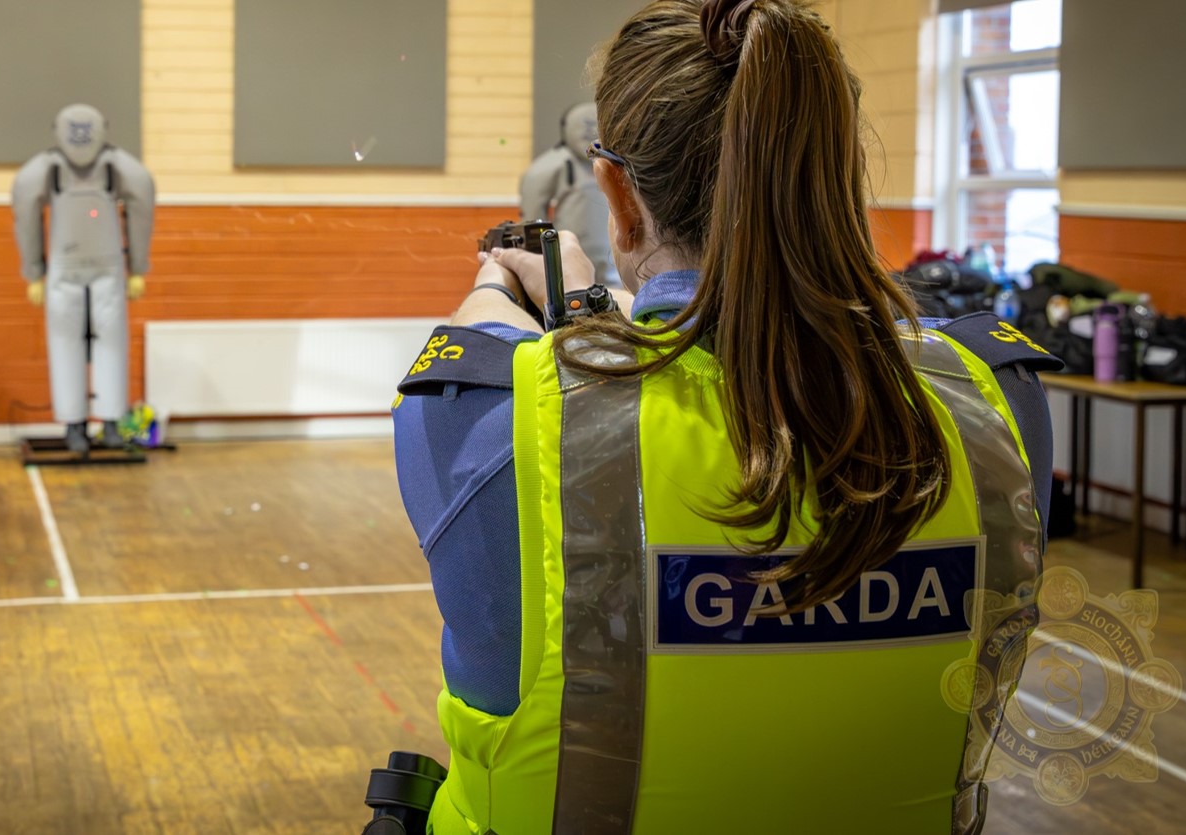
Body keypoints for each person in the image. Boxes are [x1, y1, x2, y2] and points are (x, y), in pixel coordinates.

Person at [390, 1, 1061, 833]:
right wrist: (611, 304)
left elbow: (485, 366)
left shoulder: (483, 425)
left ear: (617, 198)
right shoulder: (1001, 402)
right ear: (836, 177)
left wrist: (505, 282)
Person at [11, 104, 156, 455]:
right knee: (81, 343)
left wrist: (137, 267)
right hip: (79, 269)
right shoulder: (49, 170)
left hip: (96, 269)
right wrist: (34, 271)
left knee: (99, 344)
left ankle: (103, 424)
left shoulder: (111, 168)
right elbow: (26, 214)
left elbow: (141, 209)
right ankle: (78, 424)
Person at [519, 102, 620, 288]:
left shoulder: (612, 161)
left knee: (612, 293)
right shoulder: (554, 164)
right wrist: (539, 250)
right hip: (568, 251)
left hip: (610, 253)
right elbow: (533, 211)